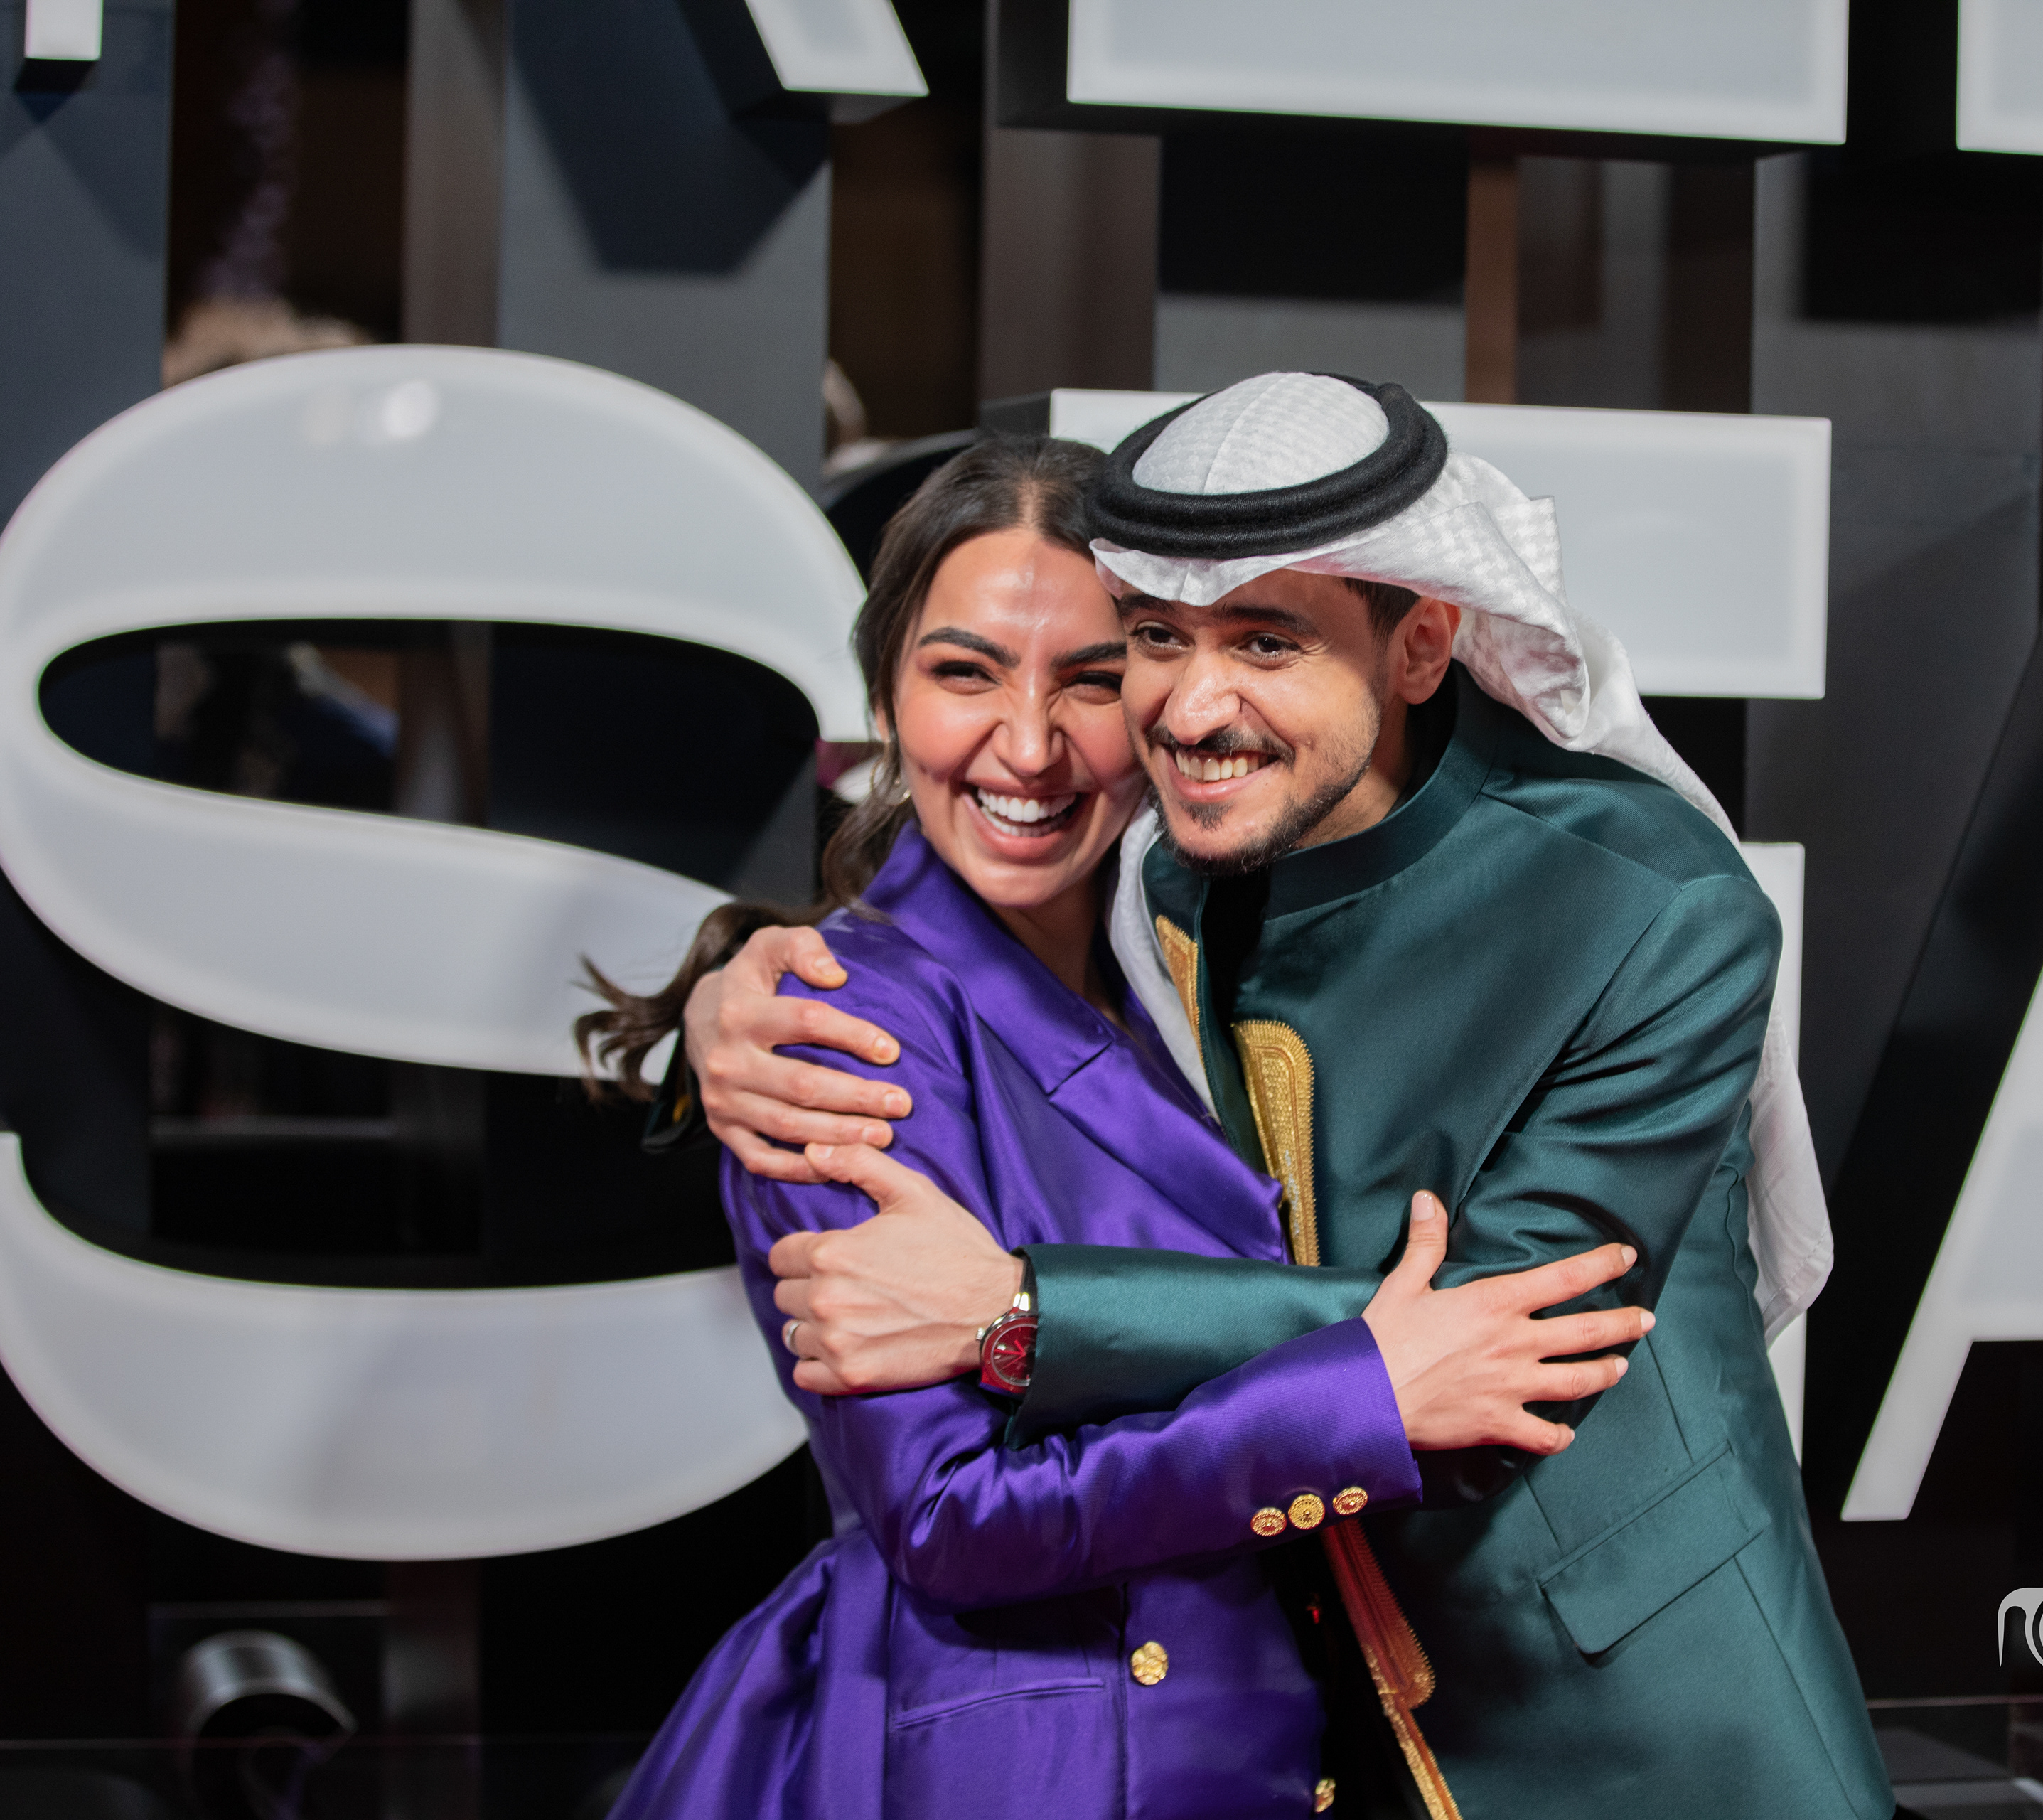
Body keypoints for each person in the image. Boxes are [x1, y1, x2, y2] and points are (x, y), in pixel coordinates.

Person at [682, 373, 1894, 1820]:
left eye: (1261, 640)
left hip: (1638, 1717)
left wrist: (1022, 1307)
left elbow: (1495, 1340)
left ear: (1425, 640)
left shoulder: (1645, 904)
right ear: (882, 694)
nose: (1182, 707)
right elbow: (972, 1485)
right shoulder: (1140, 896)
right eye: (1156, 641)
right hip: (1207, 1729)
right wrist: (730, 986)